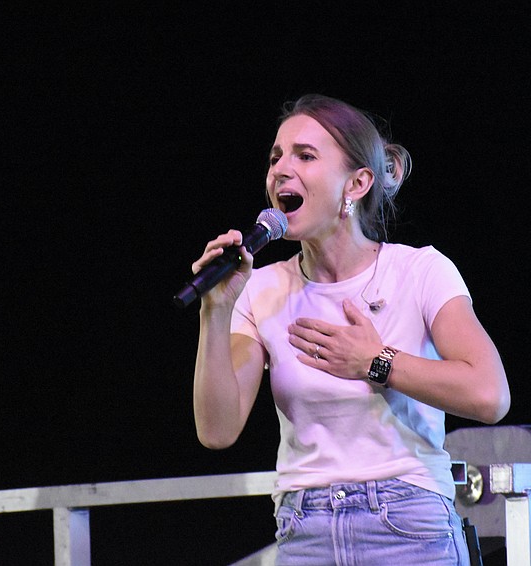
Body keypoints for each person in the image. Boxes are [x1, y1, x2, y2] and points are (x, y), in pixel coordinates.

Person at [191, 94, 510, 565]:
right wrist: (215, 312)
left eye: (305, 156)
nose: (281, 169)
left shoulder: (419, 271)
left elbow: (489, 395)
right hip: (306, 527)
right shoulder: (260, 289)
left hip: (408, 522)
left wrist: (377, 362)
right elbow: (217, 430)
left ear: (357, 184)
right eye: (276, 156)